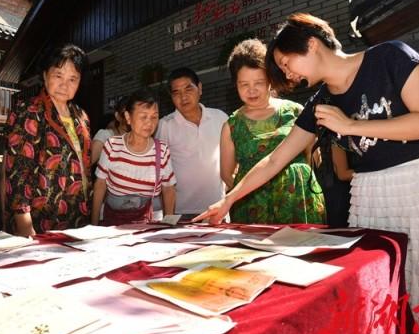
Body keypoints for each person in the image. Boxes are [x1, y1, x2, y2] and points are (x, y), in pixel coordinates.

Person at [196, 13, 419, 334]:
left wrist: (352, 125)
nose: (288, 75)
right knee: (388, 305)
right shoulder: (320, 102)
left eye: (287, 63)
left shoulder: (391, 56)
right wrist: (228, 199)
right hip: (373, 197)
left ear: (312, 44)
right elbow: (275, 160)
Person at [220, 38, 325, 224]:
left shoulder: (296, 112)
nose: (251, 90)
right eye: (244, 84)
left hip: (298, 201)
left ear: (270, 79)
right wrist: (254, 191)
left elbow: (312, 158)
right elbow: (227, 174)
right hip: (252, 207)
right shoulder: (231, 125)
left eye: (258, 82)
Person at [6, 44, 92, 235]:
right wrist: (24, 224)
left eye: (73, 79)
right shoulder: (30, 110)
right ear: (45, 75)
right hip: (40, 219)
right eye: (58, 76)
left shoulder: (81, 116)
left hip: (78, 215)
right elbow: (18, 172)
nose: (64, 85)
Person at [91, 88, 176, 225]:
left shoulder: (162, 151)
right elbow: (100, 185)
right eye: (143, 116)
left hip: (144, 225)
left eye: (154, 117)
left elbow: (168, 189)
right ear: (128, 118)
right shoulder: (112, 145)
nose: (149, 122)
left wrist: (169, 225)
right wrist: (94, 224)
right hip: (112, 223)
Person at [156, 67, 227, 219]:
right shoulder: (165, 125)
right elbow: (160, 172)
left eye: (188, 89)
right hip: (181, 211)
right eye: (176, 93)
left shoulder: (220, 118)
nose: (183, 97)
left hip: (217, 208)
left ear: (199, 88)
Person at [91, 97, 129, 164]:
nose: (128, 119)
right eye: (124, 115)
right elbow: (87, 164)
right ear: (117, 116)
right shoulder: (105, 135)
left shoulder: (139, 139)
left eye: (132, 114)